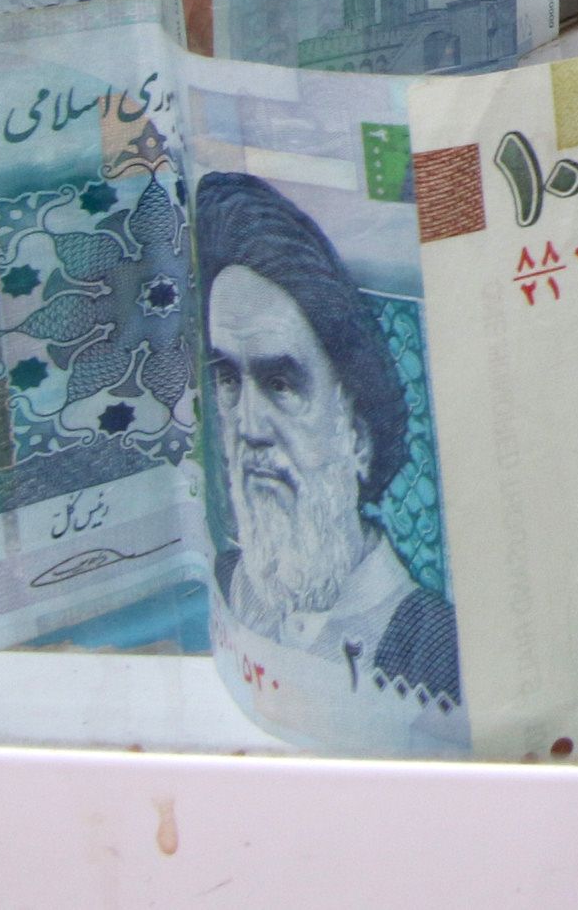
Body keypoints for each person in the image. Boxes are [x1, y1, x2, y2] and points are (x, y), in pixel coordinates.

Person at [198, 171, 464, 746]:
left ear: (358, 435)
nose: (248, 426)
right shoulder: (220, 583)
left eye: (280, 383)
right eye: (227, 379)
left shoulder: (440, 652)